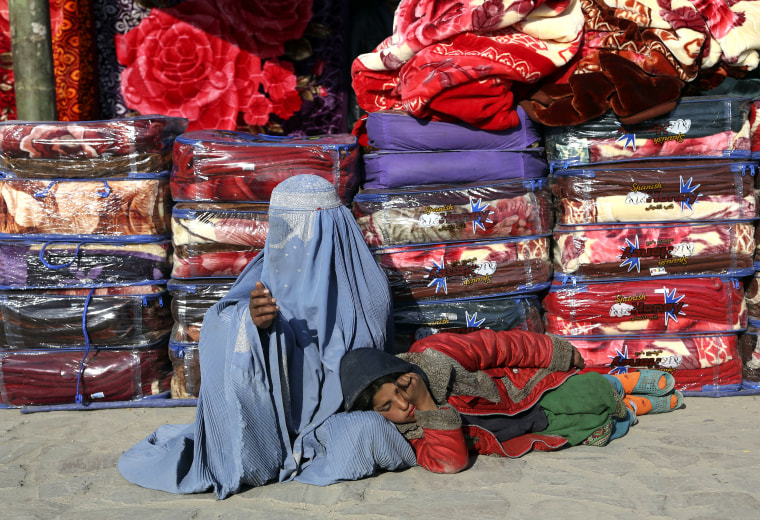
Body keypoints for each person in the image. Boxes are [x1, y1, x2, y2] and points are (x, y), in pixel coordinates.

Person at [119, 174, 415, 499]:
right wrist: (253, 324)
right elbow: (222, 326)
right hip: (275, 417)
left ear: (333, 230)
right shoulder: (269, 272)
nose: (289, 243)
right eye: (283, 230)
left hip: (341, 414)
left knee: (366, 435)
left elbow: (374, 371)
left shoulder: (366, 287)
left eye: (303, 231)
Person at [340, 328, 684, 474]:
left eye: (401, 391)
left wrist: (555, 352)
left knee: (588, 391)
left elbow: (499, 346)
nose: (402, 406)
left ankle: (619, 385)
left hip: (525, 391)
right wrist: (427, 405)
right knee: (592, 427)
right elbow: (451, 462)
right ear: (374, 413)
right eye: (387, 407)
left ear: (406, 372)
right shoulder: (410, 438)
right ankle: (633, 408)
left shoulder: (435, 356)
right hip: (524, 431)